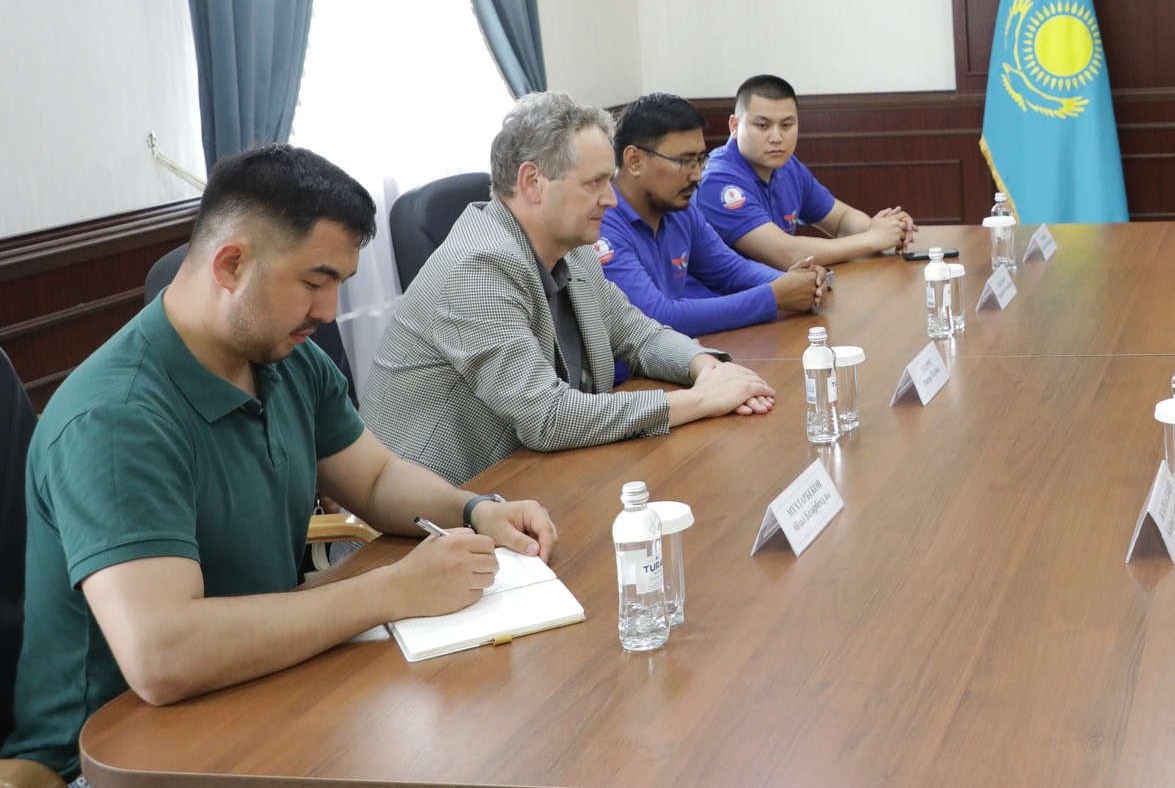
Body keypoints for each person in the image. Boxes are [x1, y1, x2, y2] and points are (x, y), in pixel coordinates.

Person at [2, 145, 557, 783]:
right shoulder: (115, 419)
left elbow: (375, 479)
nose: (329, 311)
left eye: (340, 284)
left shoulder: (282, 358)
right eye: (315, 283)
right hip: (114, 757)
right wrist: (391, 591)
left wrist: (474, 509)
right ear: (231, 264)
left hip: (264, 686)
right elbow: (163, 656)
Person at [362, 93, 777, 486]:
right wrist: (702, 401)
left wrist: (708, 369)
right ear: (532, 183)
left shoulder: (572, 249)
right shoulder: (476, 269)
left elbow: (638, 333)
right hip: (438, 513)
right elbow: (545, 416)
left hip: (535, 480)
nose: (611, 199)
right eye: (594, 183)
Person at [600, 93, 826, 335]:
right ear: (634, 160)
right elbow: (655, 317)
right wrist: (774, 296)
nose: (697, 175)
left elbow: (732, 270)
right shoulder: (602, 224)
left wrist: (797, 280)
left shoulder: (679, 211)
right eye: (685, 161)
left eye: (700, 160)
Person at [697, 74, 918, 266]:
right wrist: (871, 239)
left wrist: (887, 228)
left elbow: (841, 220)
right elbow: (785, 255)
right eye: (763, 126)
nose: (777, 137)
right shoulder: (718, 181)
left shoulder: (789, 167)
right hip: (723, 298)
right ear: (735, 126)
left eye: (786, 125)